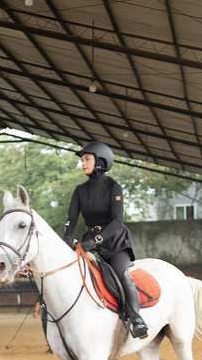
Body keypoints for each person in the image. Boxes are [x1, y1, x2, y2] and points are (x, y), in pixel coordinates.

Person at [63, 141, 148, 338]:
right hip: (89, 242)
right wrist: (67, 237)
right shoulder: (79, 191)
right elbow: (72, 218)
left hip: (115, 242)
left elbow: (118, 222)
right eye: (82, 160)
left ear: (100, 162)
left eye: (87, 159)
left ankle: (136, 319)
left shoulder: (114, 187)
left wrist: (95, 241)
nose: (83, 164)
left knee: (120, 272)